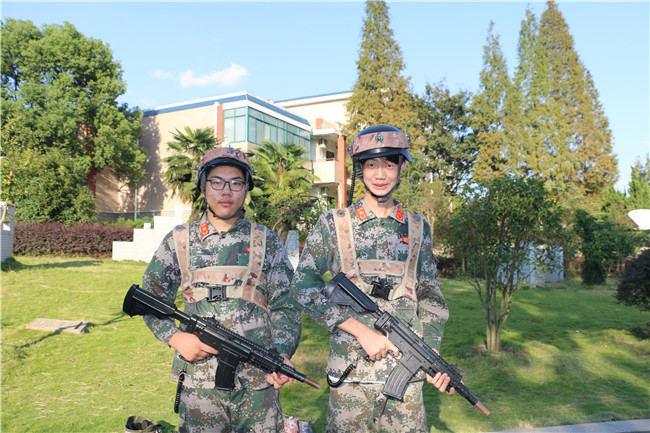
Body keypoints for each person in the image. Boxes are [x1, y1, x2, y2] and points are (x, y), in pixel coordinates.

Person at [291, 125, 454, 432]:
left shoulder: (417, 228)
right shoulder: (334, 224)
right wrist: (357, 329)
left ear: (401, 167)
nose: (380, 174)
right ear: (360, 170)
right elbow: (302, 286)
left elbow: (431, 295)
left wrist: (431, 350)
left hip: (406, 382)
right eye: (371, 164)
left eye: (389, 164)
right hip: (349, 380)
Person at [141, 147, 301, 433]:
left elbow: (286, 306)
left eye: (236, 182)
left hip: (258, 385)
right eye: (217, 181)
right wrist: (175, 337)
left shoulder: (266, 241)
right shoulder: (180, 240)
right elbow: (148, 299)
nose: (226, 191)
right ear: (203, 186)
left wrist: (281, 354)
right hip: (199, 386)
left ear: (246, 189)